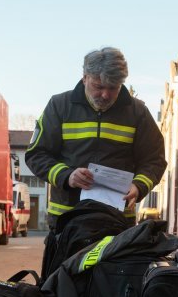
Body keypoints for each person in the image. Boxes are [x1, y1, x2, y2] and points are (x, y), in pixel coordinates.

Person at [25, 47, 167, 229]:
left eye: (113, 88)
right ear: (85, 77)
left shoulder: (137, 112)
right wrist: (67, 176)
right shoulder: (59, 106)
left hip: (117, 219)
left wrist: (139, 186)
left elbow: (154, 160)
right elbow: (36, 154)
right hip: (67, 218)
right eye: (98, 87)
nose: (105, 95)